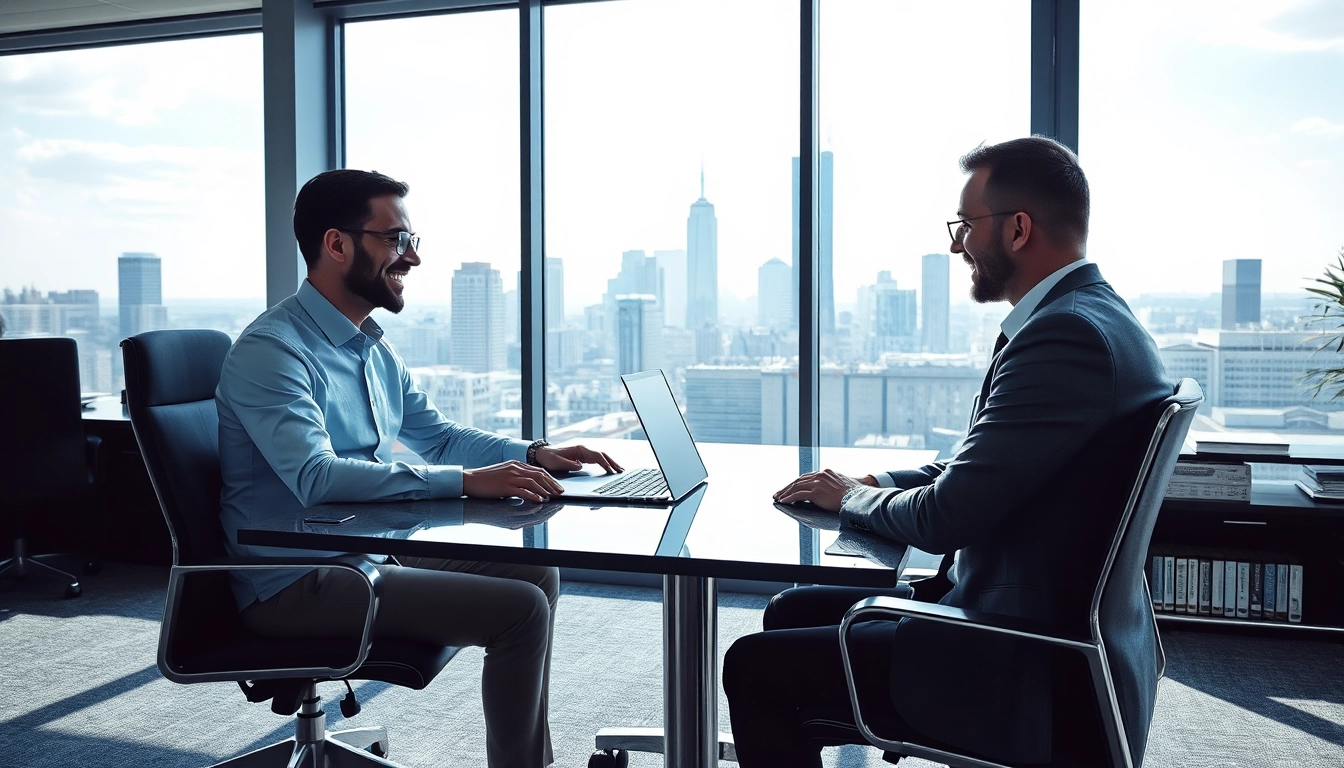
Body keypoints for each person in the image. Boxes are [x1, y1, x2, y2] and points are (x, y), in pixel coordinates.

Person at [723, 136, 1171, 767]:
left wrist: (852, 499)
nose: (955, 244)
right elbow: (982, 467)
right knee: (791, 611)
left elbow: (944, 519)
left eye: (965, 225)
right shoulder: (1095, 317)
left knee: (755, 668)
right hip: (1037, 618)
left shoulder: (1065, 338)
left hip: (1017, 655)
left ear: (1018, 229)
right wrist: (872, 478)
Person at [216, 169, 622, 768]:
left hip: (361, 548)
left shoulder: (369, 345)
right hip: (294, 579)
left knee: (538, 573)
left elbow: (437, 436)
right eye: (397, 239)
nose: (414, 257)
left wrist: (531, 453)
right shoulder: (273, 352)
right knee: (520, 610)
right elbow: (316, 477)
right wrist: (467, 482)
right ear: (337, 245)